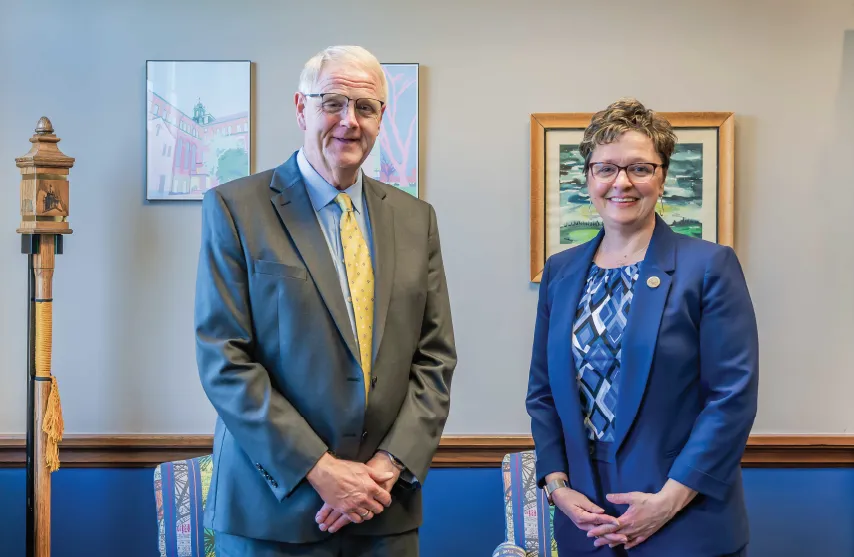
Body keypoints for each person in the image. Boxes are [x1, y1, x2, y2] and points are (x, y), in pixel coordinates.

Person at [194, 45, 457, 557]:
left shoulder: (414, 218)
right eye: (332, 103)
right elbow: (224, 359)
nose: (349, 122)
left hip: (384, 508)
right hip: (273, 511)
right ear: (301, 108)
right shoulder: (235, 209)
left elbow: (435, 357)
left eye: (365, 107)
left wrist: (385, 468)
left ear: (382, 117)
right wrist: (321, 469)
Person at [525, 98, 758, 557]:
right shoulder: (562, 271)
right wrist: (557, 487)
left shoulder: (708, 266)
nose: (622, 182)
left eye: (639, 167)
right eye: (606, 168)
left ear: (663, 176)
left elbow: (731, 396)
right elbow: (542, 392)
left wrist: (669, 501)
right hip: (584, 521)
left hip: (685, 520)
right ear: (589, 177)